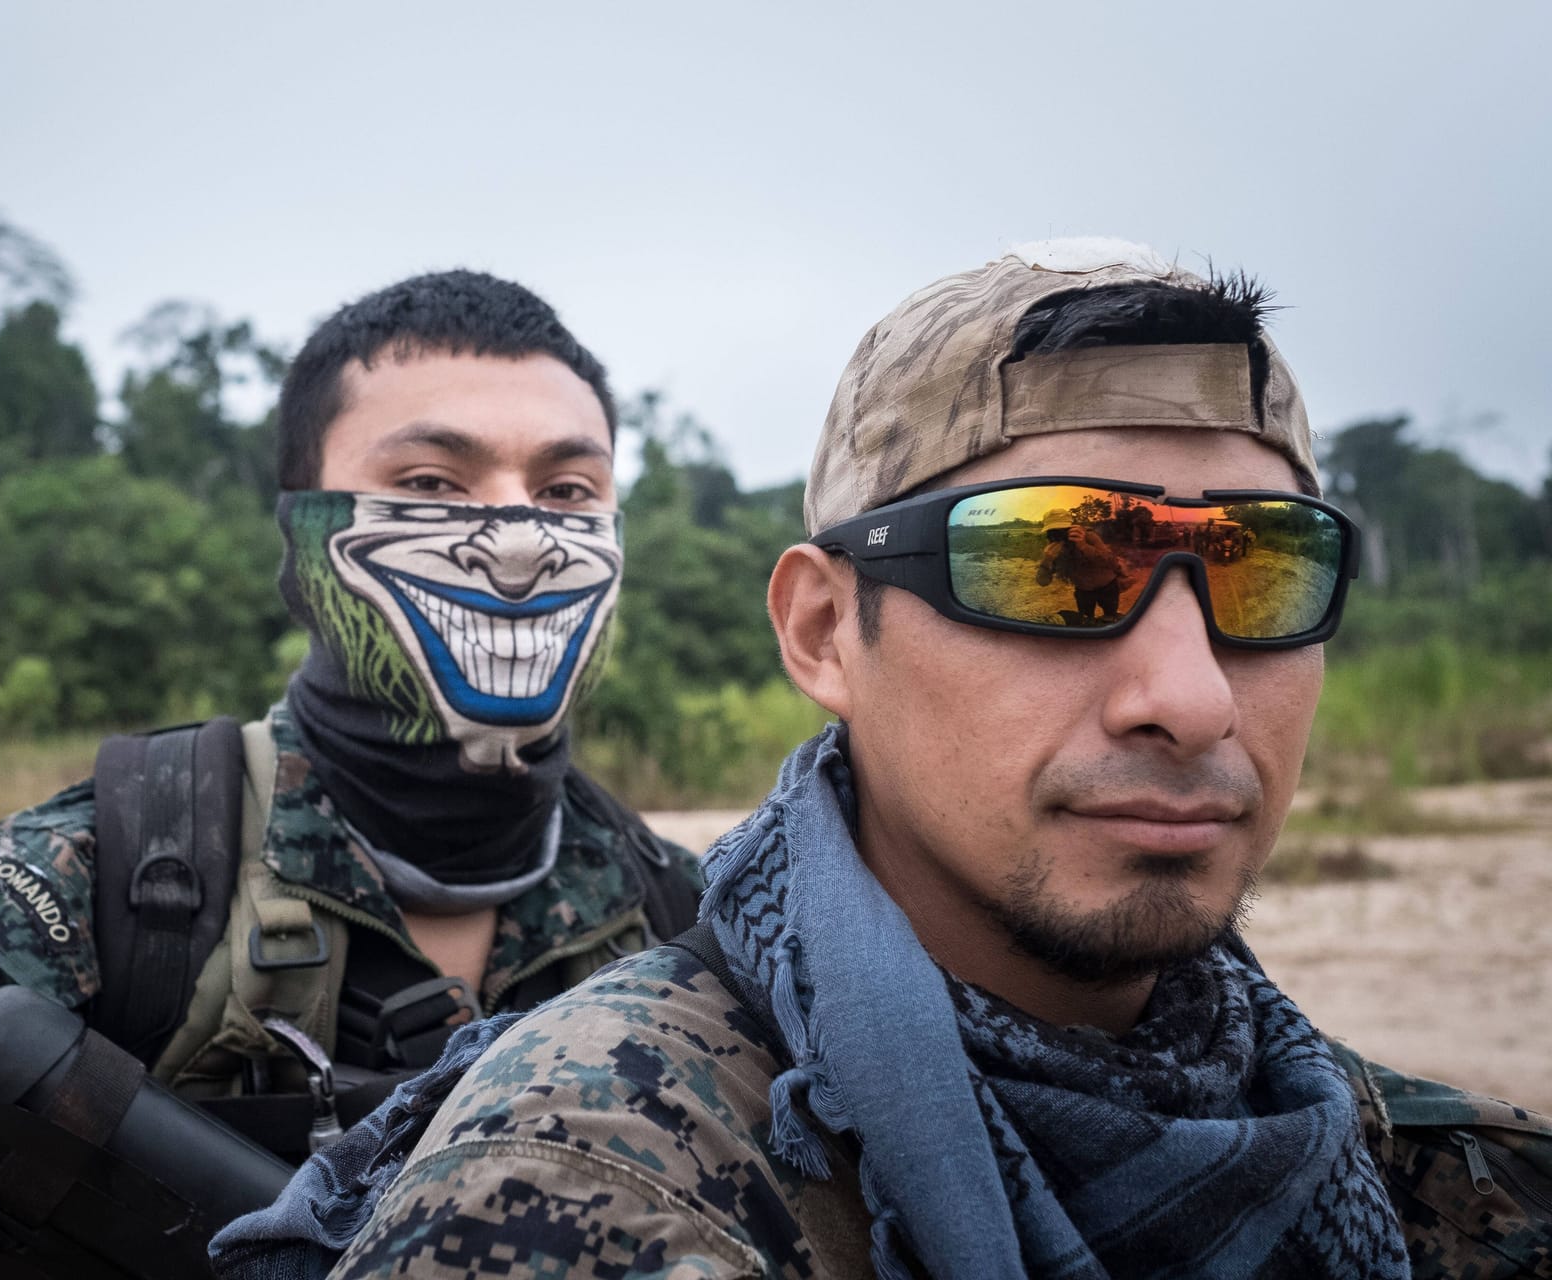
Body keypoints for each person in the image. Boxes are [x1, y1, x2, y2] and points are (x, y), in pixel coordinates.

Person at [214, 241, 1552, 1280]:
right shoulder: (582, 1187)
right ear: (820, 629)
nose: (1191, 699)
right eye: (1050, 561)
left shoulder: (1440, 1177)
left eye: (1266, 573)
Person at [0, 270, 706, 1277]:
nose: (516, 542)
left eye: (567, 491)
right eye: (429, 484)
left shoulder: (686, 923)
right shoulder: (75, 892)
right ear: (302, 532)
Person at [1034, 510, 1130, 621]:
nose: (1059, 535)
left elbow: (1110, 561)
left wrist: (1084, 546)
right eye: (1053, 531)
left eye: (1063, 530)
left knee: (1110, 617)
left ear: (1072, 527)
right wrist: (1046, 561)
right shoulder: (1053, 549)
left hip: (1107, 587)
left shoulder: (1088, 536)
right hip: (1083, 591)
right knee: (1086, 620)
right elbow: (1043, 582)